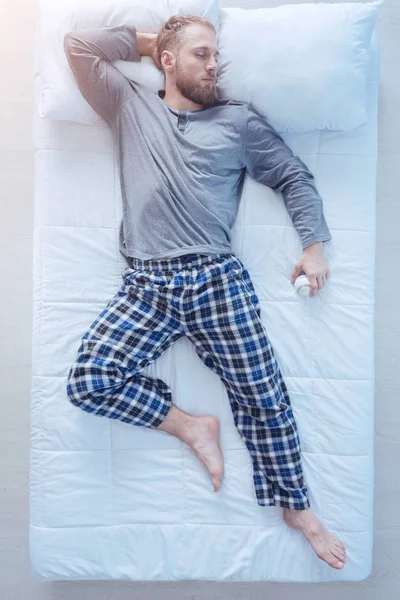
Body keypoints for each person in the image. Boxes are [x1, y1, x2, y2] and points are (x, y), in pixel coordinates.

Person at [63, 15, 346, 570]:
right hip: (146, 282)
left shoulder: (238, 121)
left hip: (216, 279)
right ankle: (190, 425)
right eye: (200, 54)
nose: (214, 65)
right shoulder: (129, 105)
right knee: (89, 381)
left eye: (217, 55)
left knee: (264, 395)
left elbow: (292, 176)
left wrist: (314, 244)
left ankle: (297, 506)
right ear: (168, 62)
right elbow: (77, 45)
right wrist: (150, 42)